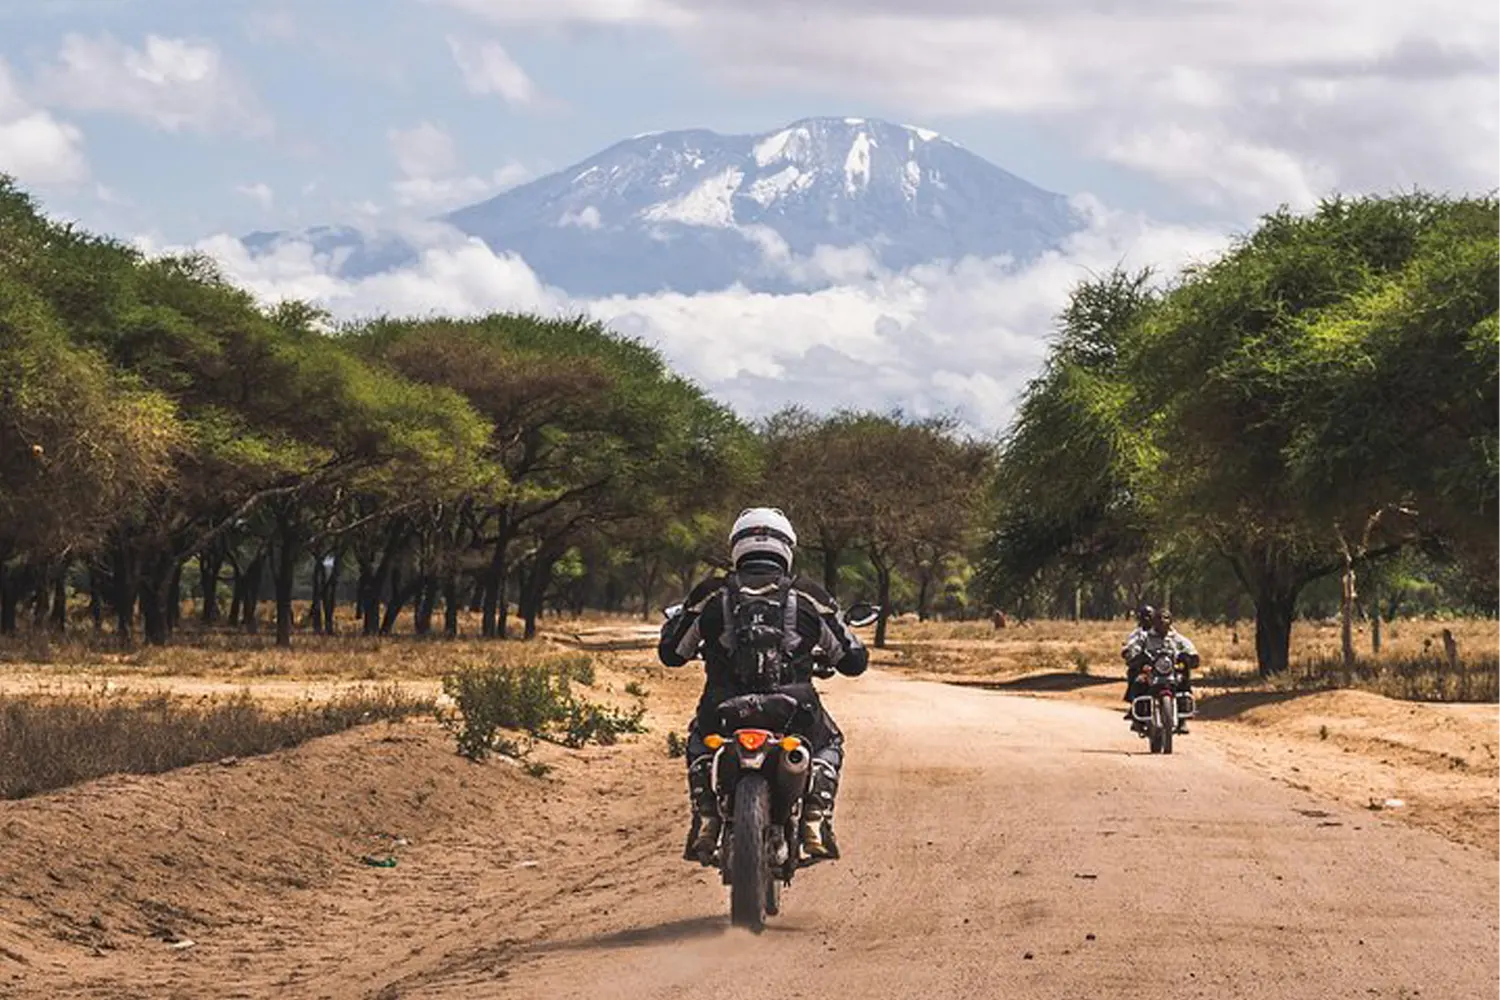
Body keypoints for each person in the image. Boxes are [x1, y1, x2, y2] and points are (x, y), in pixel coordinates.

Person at [658, 506, 868, 864]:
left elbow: (672, 654)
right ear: (787, 546)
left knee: (698, 740)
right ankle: (816, 818)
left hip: (723, 708)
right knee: (829, 742)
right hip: (794, 706)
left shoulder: (710, 594)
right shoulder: (809, 594)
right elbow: (853, 661)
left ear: (736, 546)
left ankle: (706, 817)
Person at [1122, 607, 1200, 732]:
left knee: (1184, 681)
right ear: (1154, 621)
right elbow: (1133, 647)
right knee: (1138, 683)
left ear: (1171, 621)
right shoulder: (1144, 636)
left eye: (1166, 618)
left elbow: (1189, 648)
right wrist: (1131, 654)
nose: (1163, 621)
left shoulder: (1177, 637)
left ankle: (1183, 720)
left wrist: (1191, 657)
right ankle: (1138, 719)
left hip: (1171, 672)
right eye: (1159, 618)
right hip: (1151, 671)